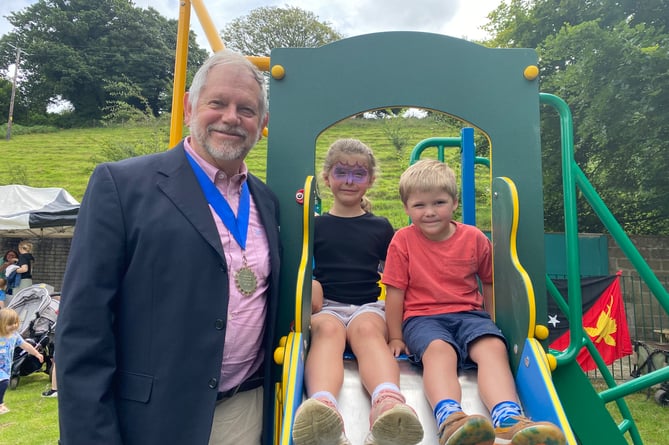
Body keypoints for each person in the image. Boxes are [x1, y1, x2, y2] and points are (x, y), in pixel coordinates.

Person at [55, 49, 281, 445]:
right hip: (153, 422)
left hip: (249, 413)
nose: (231, 117)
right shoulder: (121, 186)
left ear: (262, 123)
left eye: (246, 109)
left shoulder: (267, 201)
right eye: (218, 103)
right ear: (189, 105)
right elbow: (82, 329)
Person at [383, 159, 566, 445]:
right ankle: (450, 418)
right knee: (439, 351)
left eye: (439, 202)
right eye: (419, 205)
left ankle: (507, 416)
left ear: (454, 202)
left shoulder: (474, 238)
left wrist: (492, 320)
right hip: (422, 319)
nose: (430, 212)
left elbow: (490, 281)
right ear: (406, 208)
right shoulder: (402, 241)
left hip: (470, 315)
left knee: (493, 346)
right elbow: (395, 291)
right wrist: (395, 335)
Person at [292, 139, 423, 445]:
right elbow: (302, 268)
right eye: (341, 172)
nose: (349, 181)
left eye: (358, 174)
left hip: (367, 304)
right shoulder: (315, 226)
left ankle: (388, 403)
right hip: (328, 307)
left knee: (366, 330)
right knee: (325, 330)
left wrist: (396, 333)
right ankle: (323, 409)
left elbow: (393, 275)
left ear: (370, 180)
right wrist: (310, 286)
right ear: (327, 178)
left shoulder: (379, 226)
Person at [0, 307, 44, 414]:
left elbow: (25, 345)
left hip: (6, 367)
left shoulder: (15, 335)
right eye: (10, 324)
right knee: (4, 382)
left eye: (15, 323)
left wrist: (36, 353)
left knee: (3, 383)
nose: (14, 326)